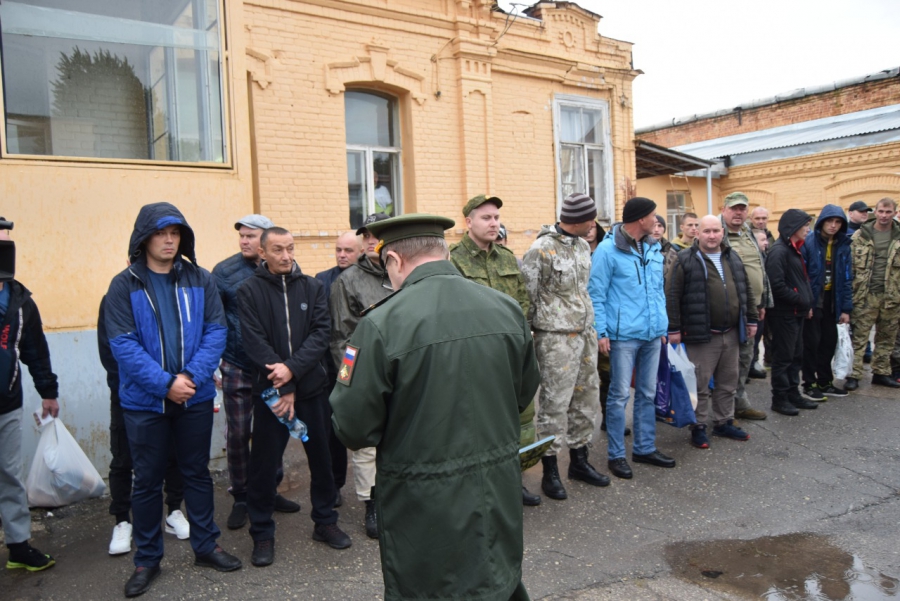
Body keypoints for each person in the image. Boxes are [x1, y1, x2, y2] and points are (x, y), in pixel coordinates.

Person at [330, 213, 541, 601]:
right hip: (496, 485)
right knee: (496, 577)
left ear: (394, 260)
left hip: (423, 497)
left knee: (430, 586)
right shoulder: (505, 307)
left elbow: (353, 425)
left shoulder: (381, 324)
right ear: (443, 252)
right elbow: (524, 391)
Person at [104, 203, 240, 597]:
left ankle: (206, 546)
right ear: (143, 238)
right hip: (144, 404)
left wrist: (190, 378)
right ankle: (147, 560)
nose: (169, 240)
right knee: (147, 481)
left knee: (196, 473)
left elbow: (216, 332)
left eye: (175, 233)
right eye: (161, 233)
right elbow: (123, 345)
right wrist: (165, 384)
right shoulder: (124, 285)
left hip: (194, 398)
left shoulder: (200, 279)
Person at [237, 227, 350, 568]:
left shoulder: (312, 287)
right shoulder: (249, 290)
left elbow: (320, 334)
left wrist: (292, 372)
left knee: (322, 459)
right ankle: (262, 532)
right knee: (264, 464)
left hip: (311, 390)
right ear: (262, 252)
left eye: (290, 248)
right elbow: (253, 341)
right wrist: (283, 384)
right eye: (278, 250)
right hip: (272, 394)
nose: (286, 256)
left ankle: (325, 521)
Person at [212, 215, 301, 532]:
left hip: (272, 368)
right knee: (238, 434)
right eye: (242, 236)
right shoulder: (224, 272)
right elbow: (214, 320)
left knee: (274, 431)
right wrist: (214, 363)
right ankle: (241, 496)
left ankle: (269, 489)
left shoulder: (286, 267)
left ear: (265, 242)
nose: (244, 241)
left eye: (251, 236)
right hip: (236, 364)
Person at [449, 195, 539, 506]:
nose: (493, 223)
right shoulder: (453, 260)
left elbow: (522, 300)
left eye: (496, 217)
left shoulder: (507, 258)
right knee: (478, 423)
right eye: (486, 217)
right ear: (468, 222)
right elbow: (453, 310)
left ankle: (514, 481)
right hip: (475, 357)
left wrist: (517, 334)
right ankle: (478, 487)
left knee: (517, 420)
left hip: (510, 354)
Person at [522, 192, 611, 500]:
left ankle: (579, 461)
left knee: (586, 398)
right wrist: (530, 336)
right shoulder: (541, 249)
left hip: (584, 333)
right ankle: (550, 470)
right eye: (591, 219)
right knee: (554, 405)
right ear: (579, 220)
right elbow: (528, 295)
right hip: (555, 338)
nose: (594, 224)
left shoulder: (583, 245)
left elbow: (583, 290)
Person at [590, 197, 676, 480]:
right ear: (640, 219)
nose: (657, 220)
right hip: (623, 336)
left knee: (647, 393)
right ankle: (616, 455)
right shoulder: (607, 251)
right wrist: (601, 332)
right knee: (619, 396)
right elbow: (596, 294)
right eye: (653, 216)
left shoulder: (653, 247)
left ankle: (644, 448)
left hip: (652, 334)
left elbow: (658, 290)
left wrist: (662, 326)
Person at [99, 295, 188, 556]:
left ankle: (173, 511)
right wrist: (142, 384)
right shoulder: (114, 298)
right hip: (129, 392)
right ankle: (122, 521)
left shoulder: (170, 294)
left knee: (173, 453)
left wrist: (171, 382)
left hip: (170, 388)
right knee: (123, 456)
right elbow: (110, 350)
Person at [667, 216, 756, 449]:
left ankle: (723, 421)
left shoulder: (732, 257)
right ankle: (698, 426)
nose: (712, 235)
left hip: (731, 332)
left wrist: (751, 319)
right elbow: (672, 294)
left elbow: (745, 290)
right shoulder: (685, 259)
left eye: (716, 231)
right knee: (700, 383)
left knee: (728, 381)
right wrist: (674, 328)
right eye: (707, 231)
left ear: (722, 232)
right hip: (701, 334)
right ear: (697, 233)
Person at [328, 213, 392, 537]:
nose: (370, 241)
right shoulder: (348, 280)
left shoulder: (404, 273)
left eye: (377, 235)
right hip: (365, 370)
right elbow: (341, 337)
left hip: (402, 367)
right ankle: (372, 503)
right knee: (367, 444)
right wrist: (349, 379)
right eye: (366, 235)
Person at [0, 219, 59, 572]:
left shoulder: (20, 300)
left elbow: (35, 350)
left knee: (9, 474)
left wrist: (48, 392)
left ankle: (18, 546)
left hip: (7, 402)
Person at [720, 193, 772, 418]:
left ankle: (739, 402)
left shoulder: (749, 233)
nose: (738, 213)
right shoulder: (717, 234)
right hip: (728, 309)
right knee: (725, 362)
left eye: (742, 209)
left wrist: (762, 302)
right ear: (724, 210)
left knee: (745, 357)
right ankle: (723, 411)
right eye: (734, 208)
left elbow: (760, 268)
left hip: (751, 309)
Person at [765, 209, 817, 416]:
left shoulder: (795, 249)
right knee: (783, 357)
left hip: (796, 312)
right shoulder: (779, 251)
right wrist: (801, 300)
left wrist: (806, 304)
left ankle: (793, 393)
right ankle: (779, 398)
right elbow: (776, 285)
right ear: (793, 227)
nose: (808, 229)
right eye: (805, 225)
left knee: (796, 356)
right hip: (784, 314)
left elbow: (801, 281)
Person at [846, 198, 900, 390]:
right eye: (881, 211)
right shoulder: (860, 236)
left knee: (886, 338)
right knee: (859, 338)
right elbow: (849, 267)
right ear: (875, 212)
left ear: (895, 213)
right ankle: (854, 374)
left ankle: (881, 373)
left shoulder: (898, 236)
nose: (884, 215)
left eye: (888, 212)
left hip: (892, 297)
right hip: (865, 296)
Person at [799, 205, 853, 400]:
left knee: (829, 342)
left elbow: (847, 278)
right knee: (811, 343)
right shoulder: (809, 242)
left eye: (838, 222)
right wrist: (807, 304)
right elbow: (803, 276)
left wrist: (846, 309)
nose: (833, 225)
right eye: (830, 221)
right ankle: (809, 383)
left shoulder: (843, 244)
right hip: (814, 299)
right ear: (822, 222)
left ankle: (825, 381)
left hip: (833, 300)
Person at [315, 231, 361, 301]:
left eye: (348, 250)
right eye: (338, 250)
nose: (342, 255)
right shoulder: (322, 279)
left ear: (361, 252)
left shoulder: (369, 278)